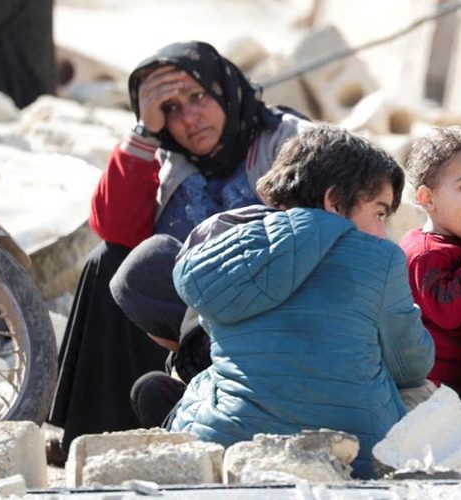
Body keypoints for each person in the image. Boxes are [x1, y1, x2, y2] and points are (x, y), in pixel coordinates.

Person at [46, 40, 308, 462]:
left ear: (222, 89)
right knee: (109, 262)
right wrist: (144, 134)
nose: (188, 118)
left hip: (269, 314)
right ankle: (95, 433)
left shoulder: (289, 143)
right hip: (188, 321)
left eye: (197, 97)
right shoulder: (169, 159)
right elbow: (116, 229)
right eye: (169, 109)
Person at [167, 124, 435, 479]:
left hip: (226, 444)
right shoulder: (379, 258)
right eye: (380, 212)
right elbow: (411, 366)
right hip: (353, 454)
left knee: (209, 381)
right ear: (335, 202)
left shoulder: (226, 247)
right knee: (422, 392)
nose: (383, 230)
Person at [398, 127, 461, 394]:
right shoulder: (426, 253)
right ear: (427, 198)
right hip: (435, 387)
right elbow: (448, 311)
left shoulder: (458, 243)